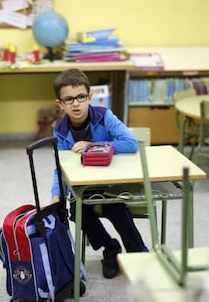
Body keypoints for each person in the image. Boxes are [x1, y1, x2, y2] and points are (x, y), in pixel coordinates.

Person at [50, 69, 148, 279]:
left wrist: (92, 146)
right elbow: (60, 166)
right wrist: (56, 194)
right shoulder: (59, 131)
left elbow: (131, 144)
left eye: (81, 97)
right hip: (83, 186)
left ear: (89, 97)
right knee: (77, 211)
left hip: (112, 182)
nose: (76, 104)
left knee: (116, 209)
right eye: (69, 99)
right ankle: (110, 247)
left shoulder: (105, 116)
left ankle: (140, 255)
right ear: (60, 103)